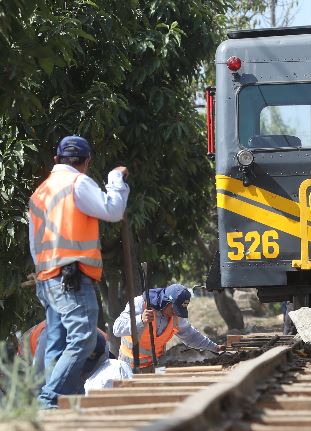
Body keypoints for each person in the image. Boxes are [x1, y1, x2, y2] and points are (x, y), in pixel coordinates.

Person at [29, 135, 128, 409]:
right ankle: (49, 399)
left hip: (47, 276)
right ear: (86, 163)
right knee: (83, 338)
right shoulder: (77, 182)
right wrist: (115, 179)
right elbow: (113, 210)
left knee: (57, 343)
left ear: (56, 160)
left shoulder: (40, 192)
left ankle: (61, 403)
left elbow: (33, 242)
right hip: (71, 277)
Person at [114, 284, 223, 370]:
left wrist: (215, 347)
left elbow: (192, 336)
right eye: (174, 309)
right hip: (129, 367)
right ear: (166, 301)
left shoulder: (176, 316)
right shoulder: (140, 304)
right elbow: (117, 329)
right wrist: (140, 320)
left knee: (162, 389)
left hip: (157, 366)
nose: (175, 313)